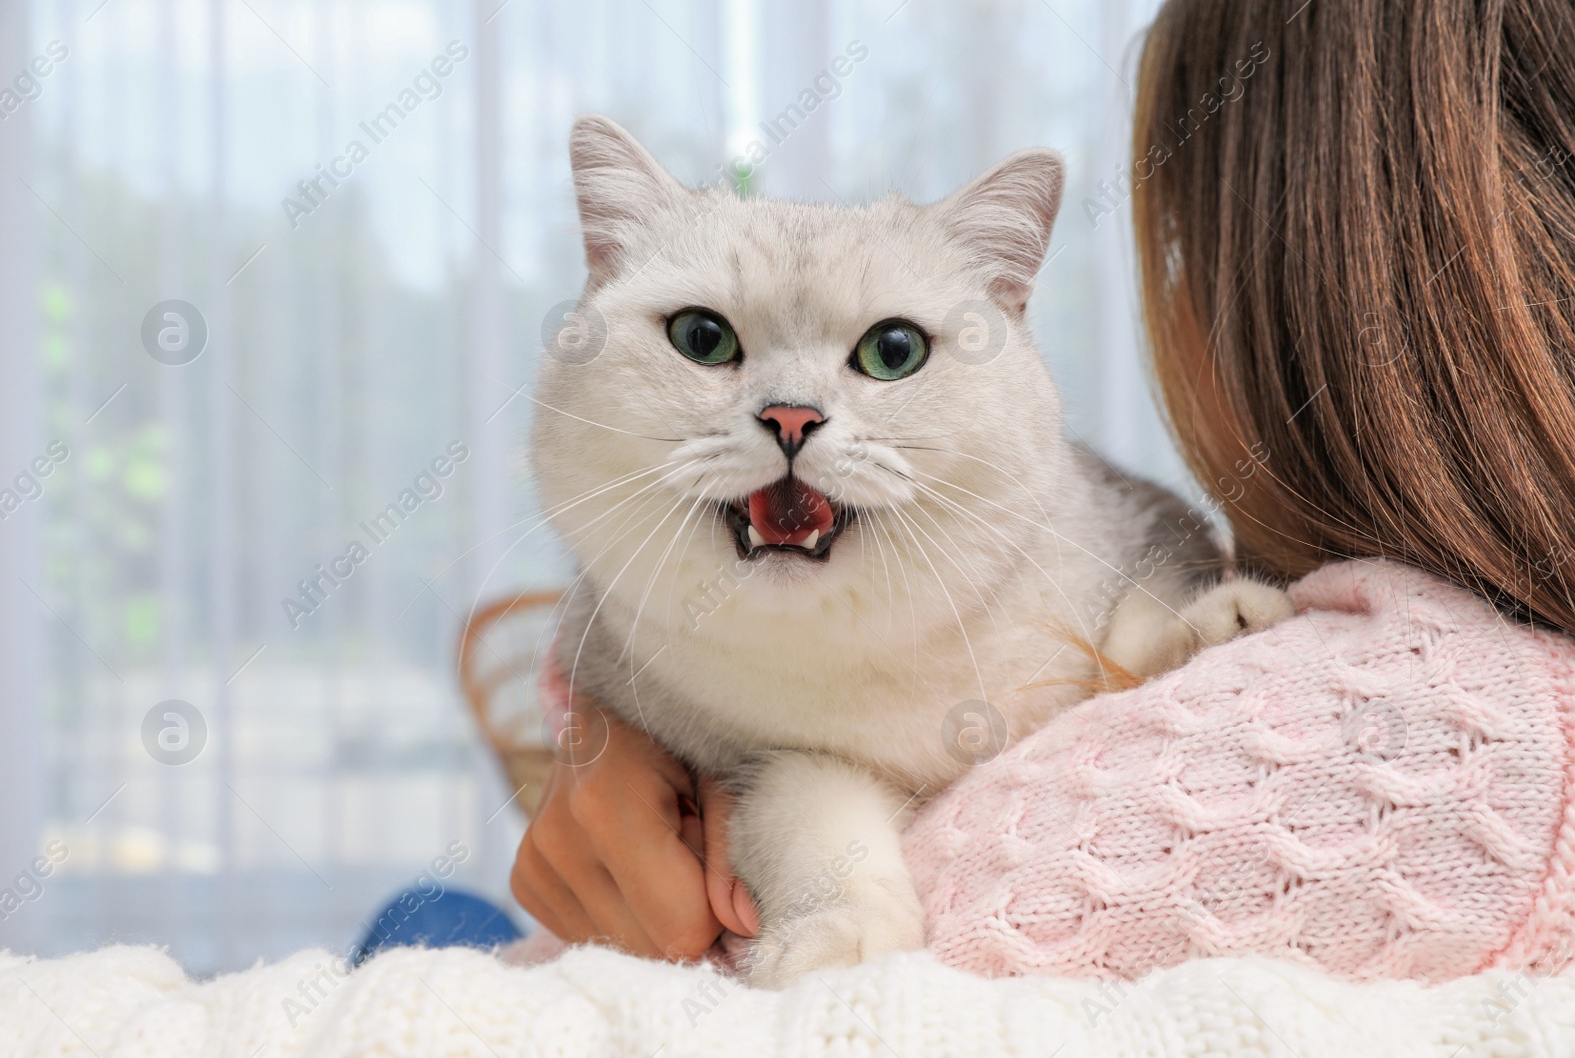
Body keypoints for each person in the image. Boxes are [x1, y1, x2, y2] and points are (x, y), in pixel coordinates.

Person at [511, 0, 1575, 960]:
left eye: (889, 351)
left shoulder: (1416, 740)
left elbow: (788, 954)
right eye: (706, 336)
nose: (792, 414)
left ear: (1289, 294)